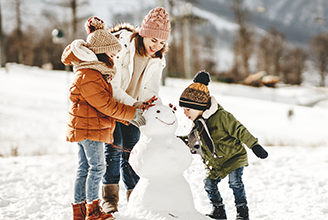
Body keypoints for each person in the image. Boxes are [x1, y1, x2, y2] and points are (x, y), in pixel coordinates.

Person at [61, 17, 150, 220]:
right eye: (111, 53)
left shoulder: (94, 72)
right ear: (101, 52)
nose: (114, 57)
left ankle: (80, 211)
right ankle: (93, 211)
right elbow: (106, 105)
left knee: (85, 168)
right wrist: (132, 113)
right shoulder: (90, 75)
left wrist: (128, 117)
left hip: (88, 126)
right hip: (89, 128)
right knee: (98, 167)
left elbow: (104, 106)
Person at [101, 7, 171, 214]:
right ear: (143, 33)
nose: (156, 46)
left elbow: (152, 91)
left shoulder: (157, 59)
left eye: (162, 42)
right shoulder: (122, 47)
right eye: (153, 40)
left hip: (134, 111)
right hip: (113, 106)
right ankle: (110, 199)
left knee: (132, 153)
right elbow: (113, 86)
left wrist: (160, 110)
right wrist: (134, 104)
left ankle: (135, 196)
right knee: (114, 150)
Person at [178, 71, 269, 220]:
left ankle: (242, 213)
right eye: (183, 109)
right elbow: (192, 141)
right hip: (215, 162)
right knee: (208, 184)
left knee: (235, 183)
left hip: (234, 157)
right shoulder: (198, 123)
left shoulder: (222, 116)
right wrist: (173, 140)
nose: (185, 113)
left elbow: (240, 130)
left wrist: (254, 145)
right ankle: (219, 210)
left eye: (187, 109)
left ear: (199, 106)